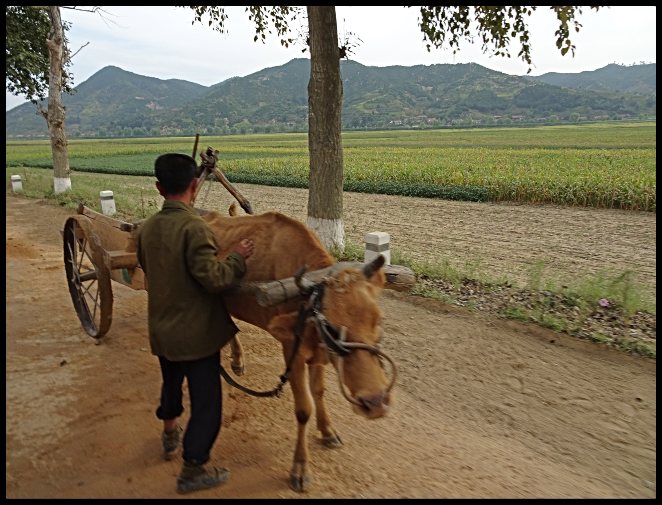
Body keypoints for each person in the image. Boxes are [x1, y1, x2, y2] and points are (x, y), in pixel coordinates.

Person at [136, 153, 255, 494]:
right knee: (207, 405)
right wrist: (238, 257)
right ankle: (193, 469)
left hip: (162, 330)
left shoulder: (147, 229)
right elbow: (215, 279)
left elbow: (149, 266)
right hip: (196, 337)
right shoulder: (196, 228)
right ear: (194, 185)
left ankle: (169, 433)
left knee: (171, 384)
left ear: (158, 188)